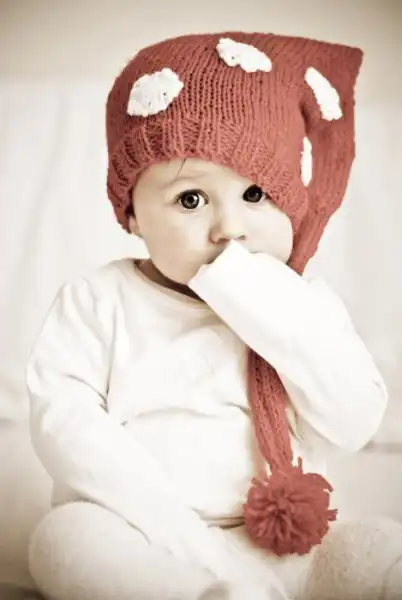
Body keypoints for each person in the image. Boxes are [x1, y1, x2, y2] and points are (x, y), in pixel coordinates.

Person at [26, 31, 402, 600]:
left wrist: (257, 298)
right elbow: (67, 428)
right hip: (146, 537)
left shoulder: (302, 306)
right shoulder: (98, 300)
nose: (230, 229)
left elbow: (352, 421)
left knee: (372, 547)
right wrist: (190, 543)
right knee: (62, 540)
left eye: (255, 195)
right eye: (191, 199)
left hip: (281, 541)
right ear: (133, 216)